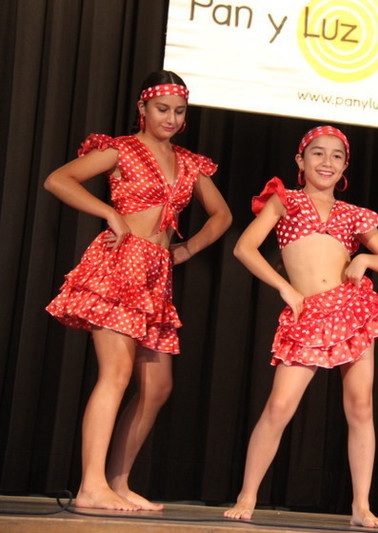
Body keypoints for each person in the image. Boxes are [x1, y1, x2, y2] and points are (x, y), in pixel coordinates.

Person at [44, 70, 232, 511]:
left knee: (158, 386)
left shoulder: (188, 162)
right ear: (143, 108)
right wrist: (109, 212)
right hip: (119, 264)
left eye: (179, 111)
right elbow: (59, 179)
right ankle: (91, 486)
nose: (171, 118)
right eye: (162, 109)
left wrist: (187, 250)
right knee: (117, 372)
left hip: (156, 274)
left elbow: (222, 215)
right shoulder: (122, 149)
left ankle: (118, 480)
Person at [224, 126, 378, 527]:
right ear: (300, 161)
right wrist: (285, 288)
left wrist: (365, 260)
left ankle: (361, 506)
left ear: (345, 166)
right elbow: (244, 248)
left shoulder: (354, 214)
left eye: (337, 156)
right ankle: (247, 495)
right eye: (318, 153)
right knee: (280, 406)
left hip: (351, 310)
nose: (327, 162)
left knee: (360, 406)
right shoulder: (286, 201)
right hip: (308, 314)